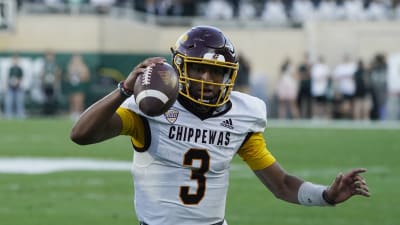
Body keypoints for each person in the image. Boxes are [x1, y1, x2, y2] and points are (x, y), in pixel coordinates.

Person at [71, 26, 370, 225]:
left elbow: (280, 184)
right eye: (198, 69)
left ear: (230, 76)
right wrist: (124, 89)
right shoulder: (149, 110)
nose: (207, 80)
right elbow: (81, 134)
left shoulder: (243, 116)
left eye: (216, 72)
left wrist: (327, 196)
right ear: (179, 68)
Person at [66, 53, 90, 121]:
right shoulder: (70, 66)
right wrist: (71, 78)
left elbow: (87, 77)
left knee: (79, 100)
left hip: (80, 86)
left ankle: (80, 114)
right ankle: (72, 114)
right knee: (72, 100)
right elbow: (67, 76)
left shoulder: (83, 67)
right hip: (72, 86)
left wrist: (79, 78)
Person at [4, 54, 26, 119]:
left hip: (18, 88)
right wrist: (8, 83)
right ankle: (8, 115)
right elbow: (8, 78)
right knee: (9, 102)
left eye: (16, 60)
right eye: (14, 59)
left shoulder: (19, 69)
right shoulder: (10, 68)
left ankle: (20, 114)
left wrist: (18, 82)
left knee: (19, 102)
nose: (15, 61)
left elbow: (21, 78)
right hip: (10, 87)